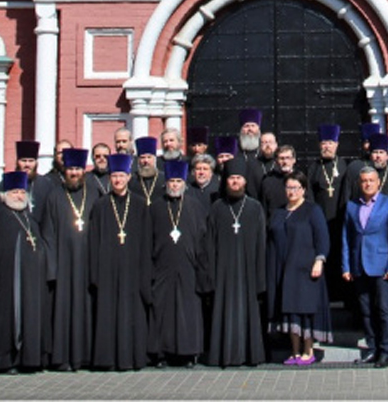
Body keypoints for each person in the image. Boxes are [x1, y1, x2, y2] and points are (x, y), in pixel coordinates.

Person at [0, 170, 53, 372]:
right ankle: (3, 361)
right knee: (3, 322)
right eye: (14, 192)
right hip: (3, 283)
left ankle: (27, 359)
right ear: (4, 194)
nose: (19, 196)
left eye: (22, 192)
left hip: (29, 282)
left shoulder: (29, 218)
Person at [87, 153, 152, 371]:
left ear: (128, 178)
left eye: (121, 176)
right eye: (114, 176)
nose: (117, 180)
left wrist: (145, 272)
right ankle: (107, 359)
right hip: (107, 270)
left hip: (133, 270)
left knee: (132, 314)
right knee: (108, 314)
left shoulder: (141, 205)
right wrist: (95, 273)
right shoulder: (101, 206)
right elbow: (94, 240)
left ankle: (132, 358)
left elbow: (146, 242)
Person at [203, 157, 267, 368]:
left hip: (248, 272)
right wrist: (210, 276)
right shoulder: (217, 208)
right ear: (226, 181)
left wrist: (260, 278)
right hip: (222, 273)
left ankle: (250, 355)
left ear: (245, 181)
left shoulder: (255, 208)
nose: (235, 182)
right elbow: (209, 244)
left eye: (239, 178)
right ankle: (223, 355)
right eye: (231, 178)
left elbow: (261, 244)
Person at [266, 170, 332, 366]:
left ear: (303, 190)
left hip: (306, 270)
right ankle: (294, 351)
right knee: (290, 310)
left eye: (295, 188)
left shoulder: (312, 210)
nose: (291, 192)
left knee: (305, 311)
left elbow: (322, 238)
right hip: (284, 270)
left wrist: (319, 260)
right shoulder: (279, 212)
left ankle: (308, 350)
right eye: (288, 187)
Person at [342, 165, 388, 368]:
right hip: (359, 265)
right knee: (366, 311)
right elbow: (346, 238)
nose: (367, 184)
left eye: (371, 180)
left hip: (382, 266)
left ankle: (385, 352)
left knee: (384, 310)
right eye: (364, 181)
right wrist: (346, 266)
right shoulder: (352, 206)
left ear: (378, 182)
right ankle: (372, 348)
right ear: (359, 183)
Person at [147, 159, 207, 368]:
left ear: (184, 182)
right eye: (171, 181)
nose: (174, 185)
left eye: (178, 181)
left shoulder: (194, 206)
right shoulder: (155, 207)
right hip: (162, 267)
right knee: (162, 310)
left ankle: (188, 353)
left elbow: (201, 238)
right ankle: (161, 353)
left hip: (188, 267)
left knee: (187, 310)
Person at [41, 147, 95, 371]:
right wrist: (52, 269)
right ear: (64, 171)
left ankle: (85, 357)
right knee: (62, 310)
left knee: (86, 308)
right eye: (70, 168)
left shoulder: (94, 194)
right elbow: (48, 233)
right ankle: (62, 358)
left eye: (78, 168)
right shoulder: (54, 195)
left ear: (84, 170)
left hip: (86, 264)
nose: (74, 173)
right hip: (63, 266)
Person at [308, 124, 346, 297]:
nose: (327, 146)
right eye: (324, 142)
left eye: (330, 142)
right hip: (320, 221)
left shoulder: (344, 165)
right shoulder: (314, 168)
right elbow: (309, 195)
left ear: (337, 145)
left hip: (340, 220)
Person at [0, 140, 53, 224]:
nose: (27, 165)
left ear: (36, 163)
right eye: (24, 160)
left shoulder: (46, 184)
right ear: (17, 162)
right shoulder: (6, 183)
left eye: (31, 161)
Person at [260, 144, 301, 219]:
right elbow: (264, 208)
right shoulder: (268, 181)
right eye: (281, 158)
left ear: (294, 160)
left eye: (288, 158)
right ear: (276, 161)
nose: (285, 161)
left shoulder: (301, 180)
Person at [237, 108, 266, 199]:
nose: (250, 129)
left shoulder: (264, 152)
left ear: (258, 129)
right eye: (246, 126)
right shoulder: (236, 151)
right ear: (241, 129)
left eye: (253, 126)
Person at [130, 136, 164, 205]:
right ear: (138, 160)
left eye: (149, 157)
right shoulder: (132, 180)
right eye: (142, 157)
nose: (146, 161)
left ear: (155, 159)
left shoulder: (164, 179)